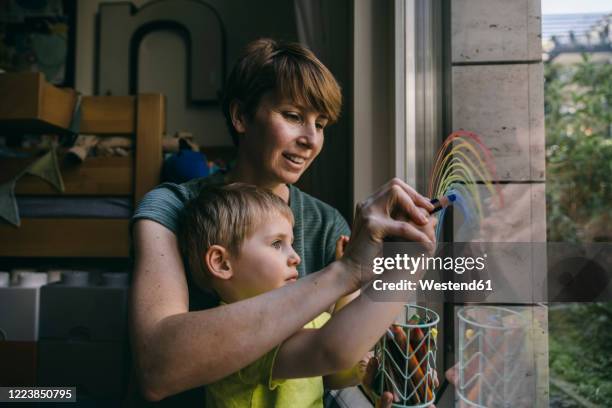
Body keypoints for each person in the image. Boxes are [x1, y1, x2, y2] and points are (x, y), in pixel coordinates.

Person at [129, 38, 435, 406]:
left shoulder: (326, 223)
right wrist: (346, 270)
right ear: (241, 116)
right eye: (293, 116)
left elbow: (333, 362)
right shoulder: (170, 208)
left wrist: (380, 385)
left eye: (320, 124)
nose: (310, 139)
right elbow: (157, 369)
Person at [177, 183, 436, 407]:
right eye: (277, 244)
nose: (295, 257)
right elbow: (332, 350)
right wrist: (409, 264)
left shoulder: (299, 317)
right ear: (222, 263)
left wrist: (364, 373)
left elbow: (330, 370)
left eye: (291, 243)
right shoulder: (231, 335)